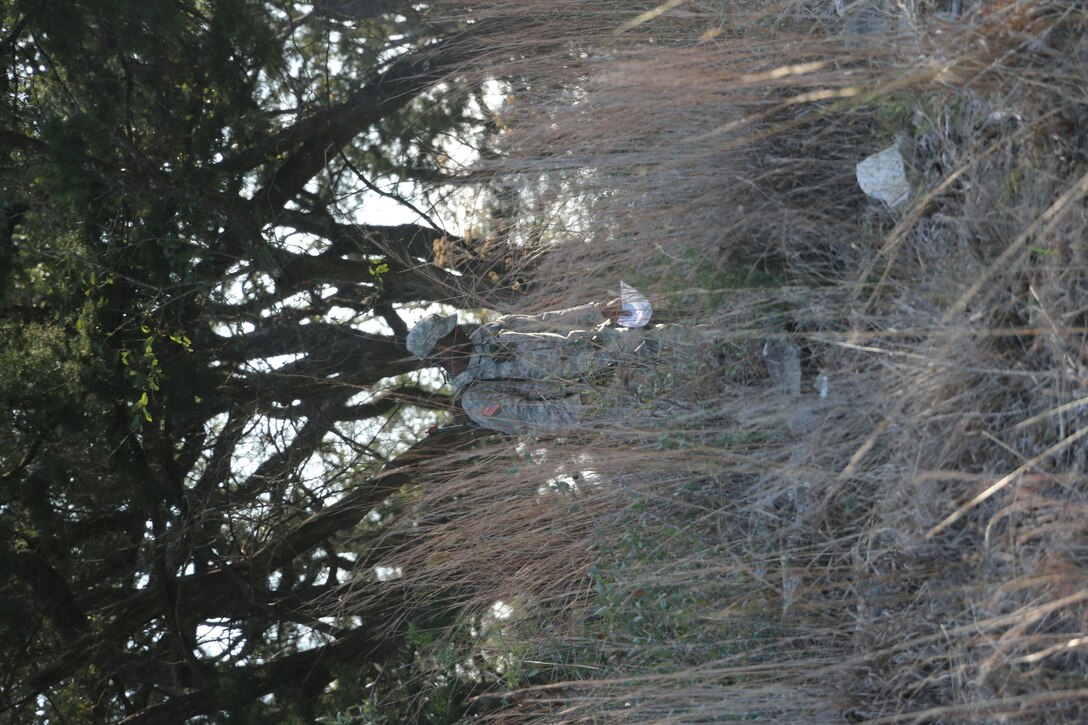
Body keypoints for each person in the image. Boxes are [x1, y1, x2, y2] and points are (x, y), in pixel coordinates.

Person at [406, 300, 671, 435]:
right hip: (621, 392)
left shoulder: (492, 331)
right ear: (438, 352)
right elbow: (535, 418)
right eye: (449, 333)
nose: (460, 329)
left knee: (701, 339)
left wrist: (599, 311)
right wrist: (593, 400)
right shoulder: (476, 397)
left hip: (618, 343)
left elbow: (549, 321)